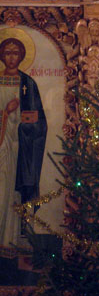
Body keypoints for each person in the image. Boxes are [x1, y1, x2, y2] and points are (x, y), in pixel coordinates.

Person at [0, 39, 46, 241]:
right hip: (2, 143)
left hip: (20, 146)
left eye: (15, 53)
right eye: (7, 53)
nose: (11, 57)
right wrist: (5, 112)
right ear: (2, 56)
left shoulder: (28, 83)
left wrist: (27, 123)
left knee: (12, 190)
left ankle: (10, 238)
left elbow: (40, 121)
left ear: (21, 56)